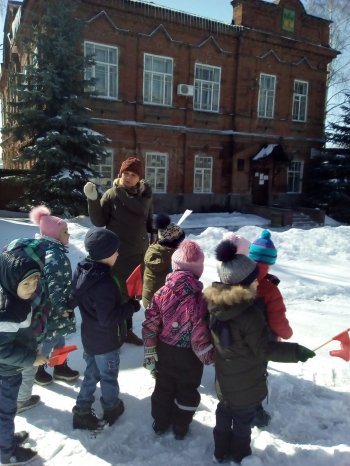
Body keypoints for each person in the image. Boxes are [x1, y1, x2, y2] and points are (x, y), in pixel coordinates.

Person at [204, 240, 315, 464]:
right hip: (246, 383)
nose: (258, 280)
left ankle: (219, 452)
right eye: (254, 278)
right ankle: (240, 455)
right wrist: (295, 352)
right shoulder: (250, 314)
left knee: (224, 416)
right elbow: (265, 348)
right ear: (243, 284)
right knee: (243, 423)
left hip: (224, 381)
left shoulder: (214, 305)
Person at [142, 240, 215, 440]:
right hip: (189, 356)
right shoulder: (200, 298)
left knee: (163, 387)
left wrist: (150, 349)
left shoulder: (161, 293)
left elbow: (150, 323)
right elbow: (199, 332)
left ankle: (160, 422)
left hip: (165, 350)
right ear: (198, 270)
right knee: (187, 389)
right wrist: (208, 356)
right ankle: (181, 426)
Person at [71, 227, 141, 430]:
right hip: (106, 341)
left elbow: (76, 293)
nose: (118, 254)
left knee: (92, 373)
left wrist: (69, 305)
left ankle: (82, 409)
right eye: (115, 251)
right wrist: (131, 307)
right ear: (106, 254)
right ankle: (111, 407)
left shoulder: (83, 269)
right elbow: (107, 319)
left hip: (90, 337)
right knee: (108, 376)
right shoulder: (105, 283)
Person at [84, 156, 154, 345]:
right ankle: (116, 332)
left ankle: (127, 331)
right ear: (120, 173)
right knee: (118, 294)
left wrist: (154, 240)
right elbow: (99, 222)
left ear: (139, 178)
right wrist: (93, 200)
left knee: (132, 295)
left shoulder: (144, 195)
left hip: (139, 253)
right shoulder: (111, 195)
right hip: (117, 255)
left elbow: (147, 219)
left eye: (133, 174)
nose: (128, 177)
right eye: (125, 173)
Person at [0, 249, 48, 466]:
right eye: (26, 284)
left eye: (35, 281)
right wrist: (31, 359)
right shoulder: (8, 311)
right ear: (11, 281)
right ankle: (5, 452)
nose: (32, 288)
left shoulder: (13, 296)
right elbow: (2, 350)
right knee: (5, 412)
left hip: (11, 369)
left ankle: (5, 440)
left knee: (5, 412)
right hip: (5, 372)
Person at [27, 206, 79, 387]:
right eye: (65, 232)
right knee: (49, 339)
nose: (68, 235)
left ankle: (60, 366)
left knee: (60, 336)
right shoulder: (54, 255)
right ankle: (37, 369)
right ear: (54, 234)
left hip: (52, 307)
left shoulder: (48, 249)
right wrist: (62, 307)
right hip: (52, 309)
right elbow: (54, 285)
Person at [248, 229, 293, 428]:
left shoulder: (237, 277)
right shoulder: (270, 288)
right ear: (271, 261)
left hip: (234, 339)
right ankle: (255, 409)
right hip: (262, 343)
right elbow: (277, 317)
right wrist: (286, 333)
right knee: (257, 375)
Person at [4, 237, 50, 413]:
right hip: (28, 337)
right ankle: (22, 400)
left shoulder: (9, 276)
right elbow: (38, 308)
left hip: (17, 338)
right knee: (28, 369)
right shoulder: (31, 280)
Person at [142, 213, 185, 308]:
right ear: (175, 243)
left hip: (148, 299)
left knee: (152, 322)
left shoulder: (153, 248)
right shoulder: (173, 257)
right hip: (164, 302)